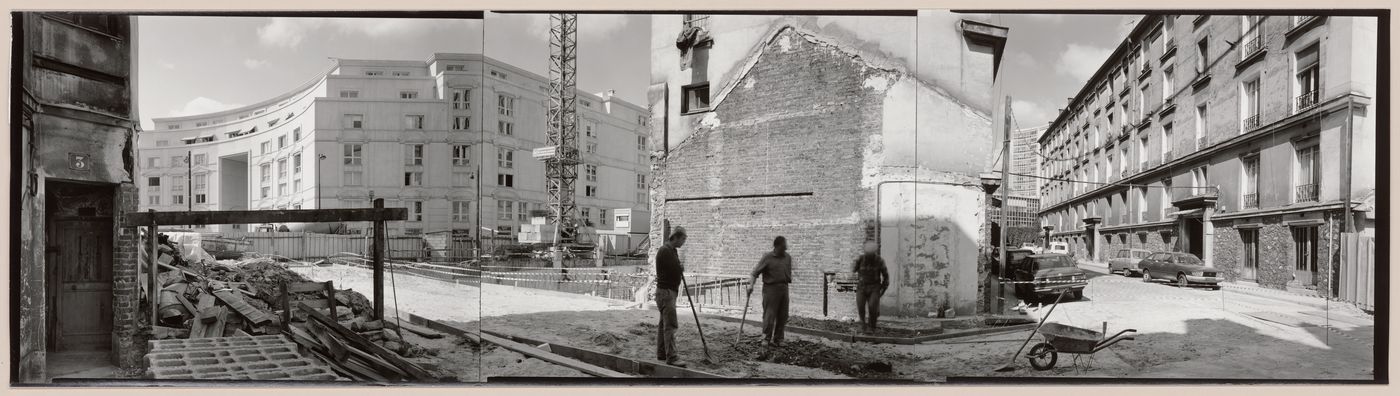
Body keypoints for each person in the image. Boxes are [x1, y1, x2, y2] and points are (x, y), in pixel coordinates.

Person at [748, 236, 793, 347]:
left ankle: (778, 339)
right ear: (776, 246)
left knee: (783, 315)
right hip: (770, 289)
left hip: (784, 288)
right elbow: (754, 273)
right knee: (769, 315)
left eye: (785, 247)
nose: (785, 249)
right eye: (783, 247)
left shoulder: (787, 257)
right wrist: (751, 286)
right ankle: (766, 338)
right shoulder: (767, 257)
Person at [654, 226, 688, 367]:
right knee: (670, 325)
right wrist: (680, 268)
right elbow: (675, 270)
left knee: (664, 324)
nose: (683, 243)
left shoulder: (671, 251)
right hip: (666, 292)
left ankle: (662, 353)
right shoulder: (665, 251)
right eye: (683, 239)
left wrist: (679, 267)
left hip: (667, 292)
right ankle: (672, 357)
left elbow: (675, 269)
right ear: (676, 237)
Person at [852, 240, 889, 333]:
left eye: (871, 254)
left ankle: (872, 327)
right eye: (868, 254)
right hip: (862, 287)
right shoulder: (860, 259)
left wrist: (883, 289)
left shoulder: (879, 261)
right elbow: (853, 270)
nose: (869, 256)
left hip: (874, 287)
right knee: (860, 306)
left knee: (873, 307)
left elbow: (885, 276)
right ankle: (862, 325)